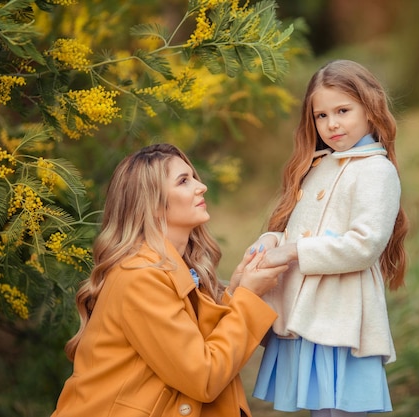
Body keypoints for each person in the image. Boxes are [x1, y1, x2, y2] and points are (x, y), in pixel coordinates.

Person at [51, 143, 288, 417]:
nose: (201, 187)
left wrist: (235, 293)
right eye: (183, 181)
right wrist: (249, 298)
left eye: (193, 177)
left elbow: (196, 345)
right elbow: (204, 376)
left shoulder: (173, 266)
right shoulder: (140, 277)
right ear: (152, 204)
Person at [251, 60, 409, 417]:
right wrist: (272, 241)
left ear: (370, 110)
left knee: (339, 410)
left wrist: (293, 251)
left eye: (342, 110)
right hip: (307, 311)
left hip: (340, 316)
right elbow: (304, 227)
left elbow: (364, 245)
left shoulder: (376, 170)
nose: (332, 124)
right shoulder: (319, 164)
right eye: (321, 116)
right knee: (320, 410)